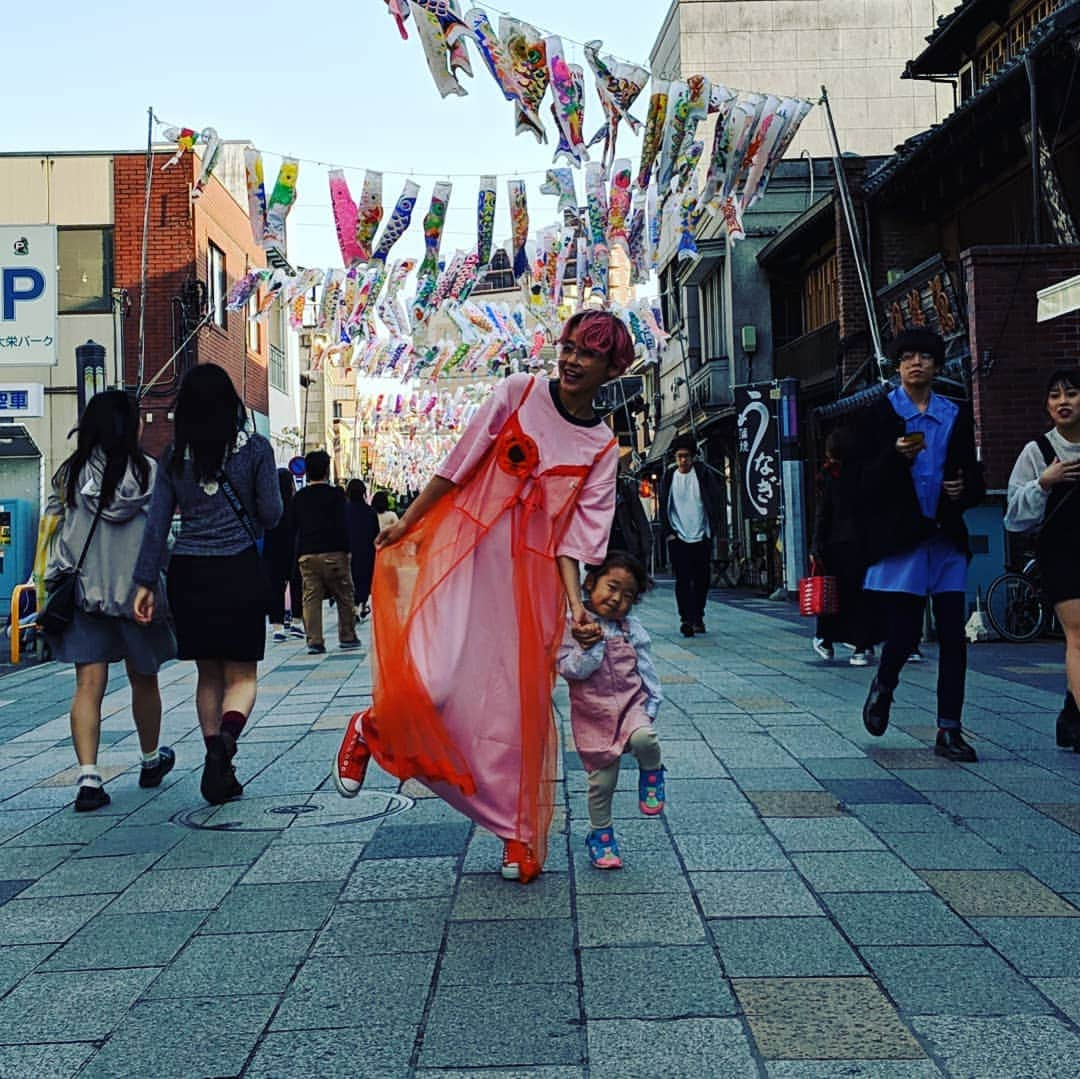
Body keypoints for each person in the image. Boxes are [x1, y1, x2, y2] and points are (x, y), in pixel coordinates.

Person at [332, 309, 633, 884]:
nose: (571, 360)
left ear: (612, 367)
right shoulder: (517, 392)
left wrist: (575, 608)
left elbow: (575, 541)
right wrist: (407, 523)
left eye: (588, 354)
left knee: (514, 712)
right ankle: (373, 729)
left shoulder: (601, 448)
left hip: (533, 587)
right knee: (439, 681)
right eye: (568, 346)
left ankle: (516, 833)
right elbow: (458, 465)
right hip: (469, 559)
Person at [133, 363, 282, 804]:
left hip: (189, 574)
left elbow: (157, 524)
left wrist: (144, 583)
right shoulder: (255, 449)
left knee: (208, 675)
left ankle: (217, 762)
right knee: (243, 675)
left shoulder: (175, 455)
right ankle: (224, 748)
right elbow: (271, 515)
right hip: (237, 568)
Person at [43, 391, 177, 812]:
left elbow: (50, 532)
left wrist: (47, 579)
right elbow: (164, 537)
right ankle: (150, 758)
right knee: (144, 678)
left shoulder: (70, 475)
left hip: (85, 595)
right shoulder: (152, 474)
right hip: (139, 596)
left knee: (88, 685)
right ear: (131, 426)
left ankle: (88, 776)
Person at [856, 329, 985, 762]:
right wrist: (895, 457)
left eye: (925, 357)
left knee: (953, 636)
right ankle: (884, 685)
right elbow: (862, 483)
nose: (916, 364)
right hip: (904, 539)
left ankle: (949, 729)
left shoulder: (955, 413)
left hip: (945, 539)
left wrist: (961, 491)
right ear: (897, 366)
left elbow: (975, 480)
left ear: (937, 364)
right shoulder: (879, 414)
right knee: (905, 632)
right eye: (908, 357)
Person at [557, 551, 663, 869]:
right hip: (593, 715)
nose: (617, 599)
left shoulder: (631, 628)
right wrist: (590, 648)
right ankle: (601, 836)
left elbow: (646, 668)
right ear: (590, 583)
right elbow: (569, 670)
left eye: (627, 594)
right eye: (612, 587)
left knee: (646, 739)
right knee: (602, 783)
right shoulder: (572, 625)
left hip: (631, 705)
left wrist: (652, 703)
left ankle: (653, 774)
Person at [1004, 368, 1080, 751]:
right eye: (1054, 396)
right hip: (1063, 552)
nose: (1063, 402)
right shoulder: (1037, 451)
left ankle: (1072, 713)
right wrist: (1044, 482)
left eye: (1071, 393)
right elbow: (1014, 515)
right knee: (1079, 634)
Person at [811, 427, 876, 666]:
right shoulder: (865, 474)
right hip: (862, 544)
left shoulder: (829, 476)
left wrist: (816, 545)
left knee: (832, 595)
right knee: (860, 595)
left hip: (835, 545)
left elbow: (823, 514)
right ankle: (862, 646)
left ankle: (826, 641)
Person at [291, 450, 361, 655]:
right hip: (334, 551)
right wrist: (348, 551)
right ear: (327, 470)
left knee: (311, 597)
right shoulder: (337, 494)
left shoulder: (299, 497)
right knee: (344, 594)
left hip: (308, 553)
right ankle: (347, 636)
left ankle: (314, 640)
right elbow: (344, 524)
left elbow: (294, 527)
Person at [659, 434, 723, 637]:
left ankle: (698, 616)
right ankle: (686, 618)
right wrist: (669, 533)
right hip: (678, 535)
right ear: (675, 458)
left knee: (702, 579)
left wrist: (712, 529)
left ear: (693, 456)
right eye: (679, 457)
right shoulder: (669, 477)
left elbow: (715, 501)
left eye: (686, 456)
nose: (683, 460)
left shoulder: (703, 474)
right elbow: (663, 506)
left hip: (701, 534)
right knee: (683, 579)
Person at [263, 468, 297, 643]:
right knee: (296, 584)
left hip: (272, 551)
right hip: (292, 550)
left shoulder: (270, 506)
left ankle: (277, 627)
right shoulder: (294, 505)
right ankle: (297, 621)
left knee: (275, 588)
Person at [606, 458, 653, 568]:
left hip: (625, 541)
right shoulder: (598, 491)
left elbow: (640, 519)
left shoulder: (626, 489)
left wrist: (646, 544)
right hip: (605, 545)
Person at [345, 478, 379, 620]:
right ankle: (361, 605)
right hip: (366, 551)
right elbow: (375, 533)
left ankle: (353, 607)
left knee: (350, 580)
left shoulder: (343, 510)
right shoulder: (370, 512)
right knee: (364, 580)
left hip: (348, 550)